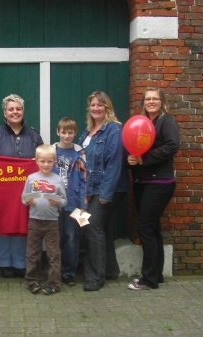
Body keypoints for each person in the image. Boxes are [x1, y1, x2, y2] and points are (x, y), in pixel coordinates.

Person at [0, 94, 44, 278]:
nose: (15, 112)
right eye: (11, 109)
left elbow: (42, 160)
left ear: (23, 111)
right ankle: (4, 263)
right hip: (1, 190)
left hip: (26, 190)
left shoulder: (34, 135)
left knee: (22, 223)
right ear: (5, 112)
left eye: (18, 109)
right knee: (2, 223)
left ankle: (20, 263)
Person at [127, 87, 179, 291]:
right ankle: (156, 275)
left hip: (160, 184)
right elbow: (134, 149)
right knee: (153, 228)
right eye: (147, 99)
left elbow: (172, 146)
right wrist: (131, 160)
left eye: (155, 99)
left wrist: (144, 159)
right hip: (142, 183)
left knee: (145, 228)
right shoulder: (142, 123)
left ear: (162, 101)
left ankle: (148, 279)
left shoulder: (167, 121)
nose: (151, 102)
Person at [78, 91, 129, 292]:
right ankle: (109, 270)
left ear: (107, 107)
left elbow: (115, 164)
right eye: (92, 105)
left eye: (100, 105)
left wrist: (105, 196)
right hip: (90, 188)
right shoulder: (87, 131)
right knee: (102, 227)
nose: (96, 108)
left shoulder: (114, 130)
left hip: (109, 188)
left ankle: (95, 277)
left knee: (91, 225)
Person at [21, 144, 67, 295]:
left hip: (52, 222)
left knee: (53, 254)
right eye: (42, 161)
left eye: (49, 161)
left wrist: (57, 202)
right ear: (37, 161)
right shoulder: (31, 178)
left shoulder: (58, 180)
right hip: (34, 220)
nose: (46, 165)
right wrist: (28, 201)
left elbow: (64, 201)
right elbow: (23, 198)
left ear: (54, 162)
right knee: (32, 253)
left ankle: (54, 283)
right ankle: (32, 281)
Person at [52, 118, 87, 287]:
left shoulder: (79, 153)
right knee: (54, 238)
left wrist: (83, 205)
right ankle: (55, 272)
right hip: (54, 204)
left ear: (75, 133)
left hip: (73, 203)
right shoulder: (51, 152)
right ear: (58, 132)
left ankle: (69, 273)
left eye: (70, 132)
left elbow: (84, 180)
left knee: (71, 237)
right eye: (63, 132)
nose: (66, 135)